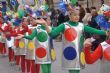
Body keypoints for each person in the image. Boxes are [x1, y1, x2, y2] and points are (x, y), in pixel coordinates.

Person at [33, 5, 110, 73]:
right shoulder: (64, 25)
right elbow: (52, 34)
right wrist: (45, 25)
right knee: (73, 70)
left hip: (79, 53)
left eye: (78, 15)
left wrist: (106, 32)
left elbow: (93, 30)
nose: (77, 16)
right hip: (70, 53)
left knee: (77, 70)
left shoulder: (81, 25)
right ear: (69, 16)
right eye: (74, 15)